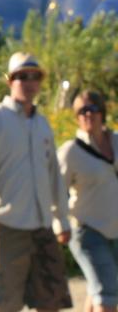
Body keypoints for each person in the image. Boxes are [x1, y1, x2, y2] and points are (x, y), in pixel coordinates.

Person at [0, 51, 72, 312]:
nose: (29, 82)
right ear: (9, 81)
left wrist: (61, 219)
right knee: (2, 303)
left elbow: (54, 176)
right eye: (21, 76)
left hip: (42, 227)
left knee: (51, 301)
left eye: (35, 76)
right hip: (6, 227)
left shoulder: (42, 125)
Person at [58, 90, 118, 312]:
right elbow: (55, 191)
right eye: (80, 111)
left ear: (101, 111)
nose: (86, 115)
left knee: (98, 290)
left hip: (114, 229)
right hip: (86, 231)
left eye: (90, 109)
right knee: (106, 293)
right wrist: (59, 225)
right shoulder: (70, 151)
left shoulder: (117, 141)